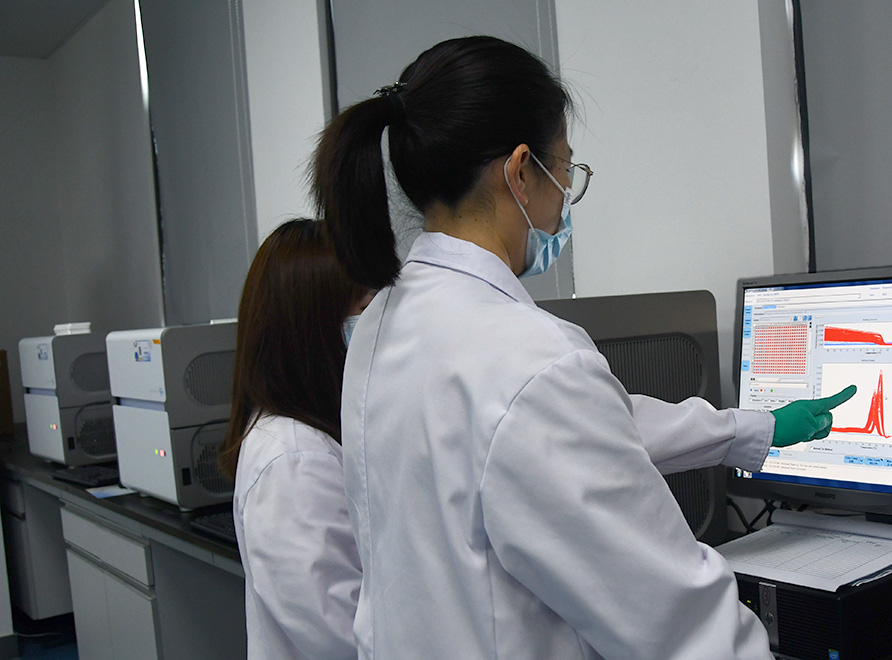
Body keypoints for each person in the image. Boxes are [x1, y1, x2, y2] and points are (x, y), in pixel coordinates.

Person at [312, 36, 855, 660]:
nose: (566, 191)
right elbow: (678, 623)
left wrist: (750, 426)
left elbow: (585, 432)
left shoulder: (383, 323)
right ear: (520, 171)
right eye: (565, 168)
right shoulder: (528, 359)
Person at [218, 218, 373, 660]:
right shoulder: (292, 458)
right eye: (364, 304)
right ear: (313, 326)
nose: (377, 318)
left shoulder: (305, 434)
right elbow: (339, 632)